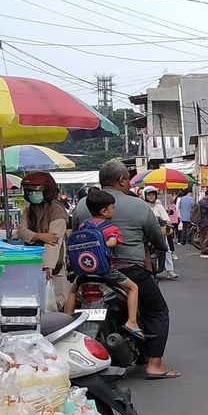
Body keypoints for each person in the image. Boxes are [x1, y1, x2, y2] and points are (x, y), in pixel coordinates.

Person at [72, 161, 178, 379]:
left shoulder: (83, 205)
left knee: (74, 294)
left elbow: (75, 234)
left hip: (89, 272)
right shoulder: (138, 205)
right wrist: (160, 245)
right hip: (129, 270)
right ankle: (154, 364)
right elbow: (158, 238)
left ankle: (68, 321)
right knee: (157, 310)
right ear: (122, 180)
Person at [65, 189, 144, 338]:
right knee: (133, 288)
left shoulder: (83, 226)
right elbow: (113, 242)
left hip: (84, 273)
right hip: (106, 271)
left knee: (73, 291)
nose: (114, 210)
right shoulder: (111, 228)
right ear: (104, 211)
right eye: (112, 207)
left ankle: (67, 320)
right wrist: (103, 244)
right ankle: (132, 321)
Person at [17, 172, 69, 307]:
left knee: (57, 303)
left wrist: (48, 266)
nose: (33, 194)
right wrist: (39, 236)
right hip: (32, 264)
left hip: (54, 267)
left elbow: (53, 241)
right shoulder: (29, 211)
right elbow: (21, 232)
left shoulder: (57, 211)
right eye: (29, 191)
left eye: (36, 191)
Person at [142, 186, 178, 280]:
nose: (151, 197)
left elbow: (167, 218)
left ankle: (170, 270)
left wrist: (163, 221)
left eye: (153, 195)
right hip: (146, 232)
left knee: (167, 249)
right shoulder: (142, 205)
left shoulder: (159, 205)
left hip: (159, 232)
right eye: (149, 195)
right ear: (145, 195)